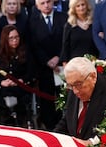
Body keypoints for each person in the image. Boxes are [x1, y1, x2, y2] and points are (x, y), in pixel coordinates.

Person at [28, 0, 67, 130]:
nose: (46, 5)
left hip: (62, 65)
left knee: (63, 96)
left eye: (48, 2)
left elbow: (66, 41)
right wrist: (47, 61)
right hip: (44, 67)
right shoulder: (33, 21)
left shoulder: (63, 17)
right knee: (46, 100)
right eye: (42, 3)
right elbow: (33, 45)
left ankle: (65, 126)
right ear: (37, 5)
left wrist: (58, 57)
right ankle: (51, 128)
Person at [0, 24, 34, 126]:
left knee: (22, 103)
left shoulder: (25, 52)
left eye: (16, 37)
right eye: (11, 38)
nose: (15, 40)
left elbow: (31, 72)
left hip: (21, 88)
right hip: (4, 89)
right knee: (3, 102)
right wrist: (2, 82)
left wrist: (22, 80)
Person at [60, 0, 98, 66]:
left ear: (87, 6)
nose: (81, 8)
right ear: (74, 9)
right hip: (75, 64)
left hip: (92, 63)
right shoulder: (69, 25)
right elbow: (65, 46)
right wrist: (65, 63)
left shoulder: (94, 23)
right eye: (78, 6)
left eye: (83, 4)